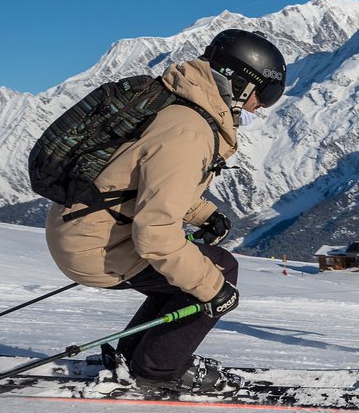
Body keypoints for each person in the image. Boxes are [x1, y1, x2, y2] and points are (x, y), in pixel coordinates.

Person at [44, 29, 287, 392]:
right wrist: (215, 291)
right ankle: (156, 370)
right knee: (215, 273)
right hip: (95, 245)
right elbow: (155, 233)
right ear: (240, 84)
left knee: (193, 271)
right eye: (265, 94)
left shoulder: (178, 106)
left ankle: (134, 356)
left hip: (83, 226)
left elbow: (149, 182)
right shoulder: (188, 130)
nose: (261, 106)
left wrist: (204, 214)